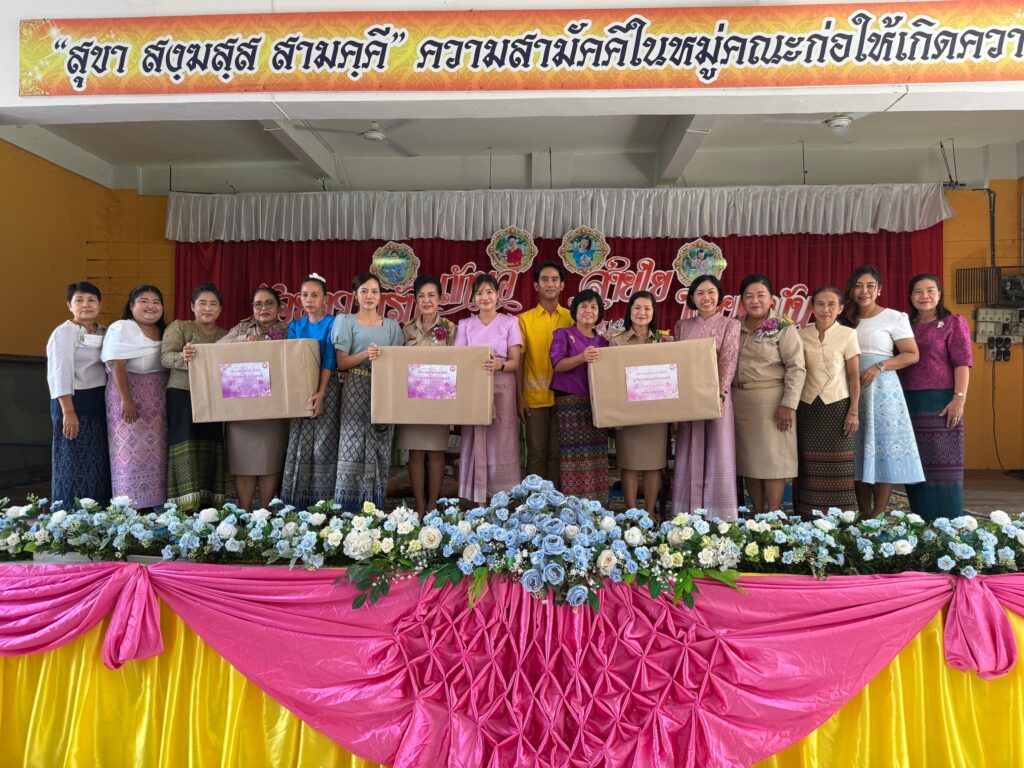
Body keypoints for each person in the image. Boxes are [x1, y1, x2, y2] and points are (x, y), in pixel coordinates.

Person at [842, 265, 924, 517]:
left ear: (879, 289)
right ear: (851, 290)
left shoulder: (894, 317)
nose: (864, 291)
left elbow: (911, 354)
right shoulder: (843, 318)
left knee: (882, 451)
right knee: (856, 450)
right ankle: (863, 513)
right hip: (849, 388)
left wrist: (879, 366)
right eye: (858, 286)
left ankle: (876, 515)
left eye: (870, 286)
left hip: (882, 390)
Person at [898, 273, 972, 520]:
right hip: (908, 401)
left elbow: (962, 363)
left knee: (944, 462)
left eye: (930, 290)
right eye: (918, 291)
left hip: (942, 401)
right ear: (910, 296)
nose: (925, 296)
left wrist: (959, 399)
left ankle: (949, 521)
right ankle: (919, 519)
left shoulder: (953, 323)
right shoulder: (903, 325)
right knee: (915, 462)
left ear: (939, 294)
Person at [733, 274, 806, 514]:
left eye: (760, 295)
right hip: (740, 402)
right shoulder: (734, 326)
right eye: (749, 296)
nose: (755, 301)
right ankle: (757, 512)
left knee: (774, 461)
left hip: (773, 402)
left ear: (771, 299)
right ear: (741, 300)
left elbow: (796, 367)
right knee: (750, 461)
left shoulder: (783, 326)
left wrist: (788, 404)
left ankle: (773, 514)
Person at [332, 273, 404, 511]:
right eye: (364, 291)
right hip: (355, 387)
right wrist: (366, 354)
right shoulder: (345, 321)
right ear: (355, 295)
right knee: (352, 444)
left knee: (380, 444)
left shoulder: (392, 326)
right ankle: (347, 507)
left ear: (381, 296)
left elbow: (398, 362)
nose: (369, 296)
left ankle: (375, 506)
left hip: (384, 389)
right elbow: (341, 363)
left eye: (374, 291)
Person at [672, 275, 740, 520]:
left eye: (711, 292)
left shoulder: (730, 324)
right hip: (689, 398)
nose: (706, 298)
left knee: (718, 451)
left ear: (719, 296)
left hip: (717, 397)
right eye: (700, 293)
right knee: (688, 448)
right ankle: (686, 512)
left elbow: (728, 361)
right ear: (692, 297)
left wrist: (719, 394)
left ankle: (718, 515)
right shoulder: (682, 326)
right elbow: (676, 361)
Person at [218, 286, 291, 511]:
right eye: (258, 304)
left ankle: (265, 510)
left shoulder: (289, 330)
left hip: (274, 404)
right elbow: (217, 348)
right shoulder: (241, 327)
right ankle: (245, 509)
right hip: (242, 404)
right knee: (243, 459)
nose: (263, 308)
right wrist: (243, 340)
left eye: (269, 303)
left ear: (279, 308)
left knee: (271, 458)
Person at [455, 273, 523, 504]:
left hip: (503, 387)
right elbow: (459, 360)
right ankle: (478, 499)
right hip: (475, 387)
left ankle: (502, 498)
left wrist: (499, 364)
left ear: (497, 295)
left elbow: (515, 362)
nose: (485, 297)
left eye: (489, 292)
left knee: (501, 439)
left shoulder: (510, 322)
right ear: (473, 298)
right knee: (475, 437)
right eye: (479, 293)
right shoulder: (465, 325)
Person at [100, 284, 168, 509]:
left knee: (157, 453)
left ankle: (156, 504)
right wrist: (126, 400)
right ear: (131, 306)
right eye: (144, 301)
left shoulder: (165, 331)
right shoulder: (123, 327)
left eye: (156, 302)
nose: (151, 306)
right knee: (130, 453)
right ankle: (129, 507)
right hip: (129, 396)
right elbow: (116, 364)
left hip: (157, 400)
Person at [160, 282, 227, 511]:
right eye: (202, 303)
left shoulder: (225, 335)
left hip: (213, 398)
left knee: (211, 443)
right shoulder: (180, 327)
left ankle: (209, 504)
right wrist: (184, 357)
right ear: (192, 306)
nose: (207, 308)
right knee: (185, 443)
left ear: (220, 309)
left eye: (213, 304)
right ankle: (185, 505)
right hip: (182, 395)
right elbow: (165, 358)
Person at [794, 287, 861, 515]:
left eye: (831, 304)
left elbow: (854, 377)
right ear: (812, 308)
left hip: (838, 406)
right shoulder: (800, 335)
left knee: (839, 466)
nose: (825, 309)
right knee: (807, 465)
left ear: (840, 309)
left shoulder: (848, 334)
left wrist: (853, 411)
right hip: (807, 407)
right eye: (820, 304)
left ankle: (841, 518)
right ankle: (807, 515)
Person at [46, 281, 111, 507]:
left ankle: (99, 510)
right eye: (79, 300)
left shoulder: (104, 331)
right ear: (69, 305)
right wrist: (68, 411)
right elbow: (59, 372)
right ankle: (69, 513)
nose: (86, 305)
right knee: (72, 457)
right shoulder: (64, 332)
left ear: (99, 304)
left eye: (91, 300)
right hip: (73, 401)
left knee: (97, 458)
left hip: (98, 401)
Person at [281, 273, 340, 508]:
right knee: (299, 442)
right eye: (305, 295)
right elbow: (293, 359)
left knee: (324, 442)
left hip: (327, 387)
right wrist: (303, 390)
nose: (309, 299)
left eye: (315, 295)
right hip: (301, 389)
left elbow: (330, 358)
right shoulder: (296, 325)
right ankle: (296, 501)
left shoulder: (333, 323)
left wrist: (321, 392)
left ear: (325, 299)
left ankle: (324, 502)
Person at [398, 275, 456, 515]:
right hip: (412, 401)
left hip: (439, 401)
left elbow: (457, 364)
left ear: (440, 298)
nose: (426, 300)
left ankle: (432, 506)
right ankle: (419, 506)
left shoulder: (450, 329)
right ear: (415, 300)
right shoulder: (406, 329)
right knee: (415, 453)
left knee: (436, 453)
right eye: (421, 296)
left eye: (431, 295)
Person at [609, 291, 669, 516]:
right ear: (629, 311)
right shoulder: (617, 341)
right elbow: (612, 380)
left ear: (653, 312)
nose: (642, 313)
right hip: (628, 414)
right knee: (630, 464)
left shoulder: (664, 341)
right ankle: (632, 513)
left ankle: (650, 512)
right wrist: (616, 414)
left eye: (647, 308)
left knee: (654, 465)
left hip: (656, 413)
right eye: (637, 308)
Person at [548, 289, 610, 503]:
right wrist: (582, 357)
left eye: (593, 307)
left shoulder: (604, 342)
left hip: (597, 406)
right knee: (572, 459)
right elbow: (557, 364)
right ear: (575, 311)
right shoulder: (563, 334)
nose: (588, 310)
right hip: (570, 405)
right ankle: (573, 506)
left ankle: (598, 506)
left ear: (599, 313)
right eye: (583, 306)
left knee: (597, 458)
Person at [517, 260, 572, 485]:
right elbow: (519, 362)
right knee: (537, 452)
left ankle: (556, 500)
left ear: (562, 285)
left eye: (555, 279)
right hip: (534, 397)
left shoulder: (572, 318)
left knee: (558, 453)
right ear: (536, 286)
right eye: (545, 279)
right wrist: (519, 397)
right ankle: (534, 499)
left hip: (565, 398)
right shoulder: (524, 320)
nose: (550, 284)